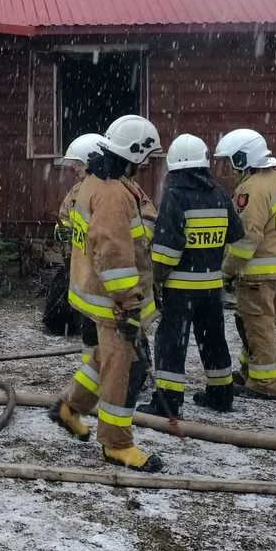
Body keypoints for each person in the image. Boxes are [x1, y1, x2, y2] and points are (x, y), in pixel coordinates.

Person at [49, 114, 164, 472]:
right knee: (123, 370)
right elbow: (113, 255)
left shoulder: (97, 182)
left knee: (102, 359)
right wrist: (129, 304)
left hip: (96, 294)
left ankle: (70, 408)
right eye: (147, 158)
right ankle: (117, 444)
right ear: (136, 153)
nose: (148, 165)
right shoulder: (114, 194)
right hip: (116, 302)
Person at [139, 134, 245, 416]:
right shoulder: (220, 193)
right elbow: (236, 233)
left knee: (172, 343)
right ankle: (221, 394)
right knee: (213, 339)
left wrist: (157, 280)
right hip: (212, 286)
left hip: (181, 287)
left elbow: (165, 253)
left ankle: (168, 402)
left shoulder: (175, 197)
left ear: (174, 167)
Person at [215, 128, 276, 400]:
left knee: (258, 327)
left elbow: (247, 238)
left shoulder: (251, 189)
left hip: (256, 273)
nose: (230, 168)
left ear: (242, 158)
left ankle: (264, 384)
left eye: (231, 161)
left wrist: (227, 269)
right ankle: (251, 371)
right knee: (256, 324)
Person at [43, 133, 106, 337]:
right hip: (76, 258)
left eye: (78, 163)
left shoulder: (105, 193)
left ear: (90, 162)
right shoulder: (76, 192)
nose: (74, 168)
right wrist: (62, 232)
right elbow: (65, 216)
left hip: (96, 263)